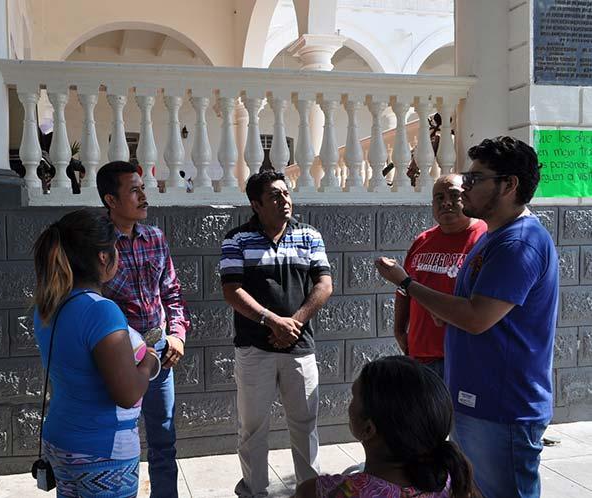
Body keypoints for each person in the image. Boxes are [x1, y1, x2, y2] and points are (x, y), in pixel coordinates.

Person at [375, 136, 558, 498]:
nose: (466, 188)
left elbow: (477, 317)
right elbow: (474, 310)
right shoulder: (494, 236)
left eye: (475, 180)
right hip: (476, 401)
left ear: (508, 185)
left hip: (503, 408)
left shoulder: (518, 243)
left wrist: (407, 283)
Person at [220, 171, 333, 498]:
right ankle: (255, 492)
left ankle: (310, 492)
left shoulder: (309, 235)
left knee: (305, 427)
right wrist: (272, 321)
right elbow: (232, 290)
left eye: (286, 194)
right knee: (252, 430)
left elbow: (324, 285)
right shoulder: (237, 239)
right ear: (256, 204)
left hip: (300, 349)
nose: (285, 201)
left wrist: (292, 323)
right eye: (274, 196)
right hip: (255, 351)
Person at [32, 209, 160, 497]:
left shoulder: (48, 306)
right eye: (115, 247)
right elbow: (127, 394)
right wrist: (150, 360)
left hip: (62, 441)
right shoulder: (101, 311)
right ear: (104, 257)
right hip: (102, 450)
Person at [96, 161, 191, 498]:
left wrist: (177, 333)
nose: (143, 196)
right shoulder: (97, 244)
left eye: (142, 188)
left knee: (164, 441)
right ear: (111, 199)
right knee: (117, 443)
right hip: (115, 360)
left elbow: (171, 292)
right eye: (134, 190)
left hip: (160, 355)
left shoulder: (154, 237)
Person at [295, 356, 478, 498]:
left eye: (353, 396)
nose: (349, 405)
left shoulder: (322, 492)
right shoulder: (449, 482)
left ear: (368, 429)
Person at [394, 175, 487, 378]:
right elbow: (404, 288)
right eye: (439, 197)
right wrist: (399, 330)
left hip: (464, 359)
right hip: (420, 358)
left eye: (454, 195)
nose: (446, 202)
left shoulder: (484, 239)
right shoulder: (423, 240)